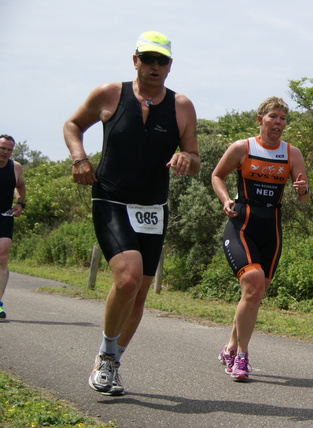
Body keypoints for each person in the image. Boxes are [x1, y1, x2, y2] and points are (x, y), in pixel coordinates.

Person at [63, 31, 200, 396]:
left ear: (170, 65)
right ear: (135, 59)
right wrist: (79, 157)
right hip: (111, 199)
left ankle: (113, 362)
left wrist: (188, 158)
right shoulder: (109, 94)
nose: (155, 66)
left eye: (163, 60)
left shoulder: (181, 106)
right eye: (149, 58)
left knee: (138, 294)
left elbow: (195, 158)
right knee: (126, 278)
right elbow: (72, 125)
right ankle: (105, 356)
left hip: (154, 207)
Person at [211, 96, 310, 381]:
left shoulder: (292, 153)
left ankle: (229, 347)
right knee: (253, 284)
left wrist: (302, 190)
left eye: (282, 118)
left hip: (272, 229)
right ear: (260, 120)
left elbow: (304, 199)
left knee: (255, 293)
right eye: (273, 117)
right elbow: (217, 175)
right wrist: (226, 199)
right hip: (241, 224)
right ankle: (241, 357)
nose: (278, 122)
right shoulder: (243, 147)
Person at [0, 135, 26, 320]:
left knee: (2, 257)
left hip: (4, 216)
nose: (5, 152)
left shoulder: (15, 167)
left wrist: (19, 204)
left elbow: (21, 186)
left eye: (9, 150)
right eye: (2, 148)